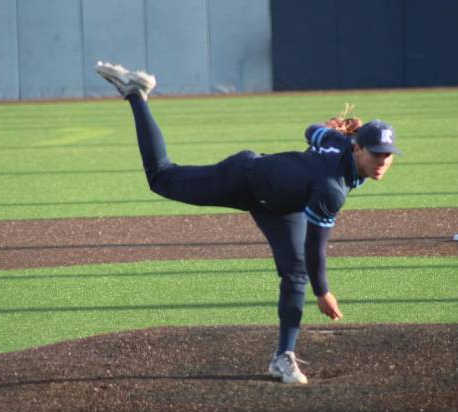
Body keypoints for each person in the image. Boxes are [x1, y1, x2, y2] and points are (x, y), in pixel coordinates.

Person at [96, 61, 401, 384]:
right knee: (162, 178)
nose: (382, 161)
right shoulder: (332, 188)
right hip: (244, 179)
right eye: (376, 153)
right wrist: (323, 292)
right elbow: (316, 247)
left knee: (294, 272)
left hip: (282, 203)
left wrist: (331, 132)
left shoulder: (338, 144)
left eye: (388, 154)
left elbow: (312, 131)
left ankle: (283, 357)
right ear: (357, 149)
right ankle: (136, 95)